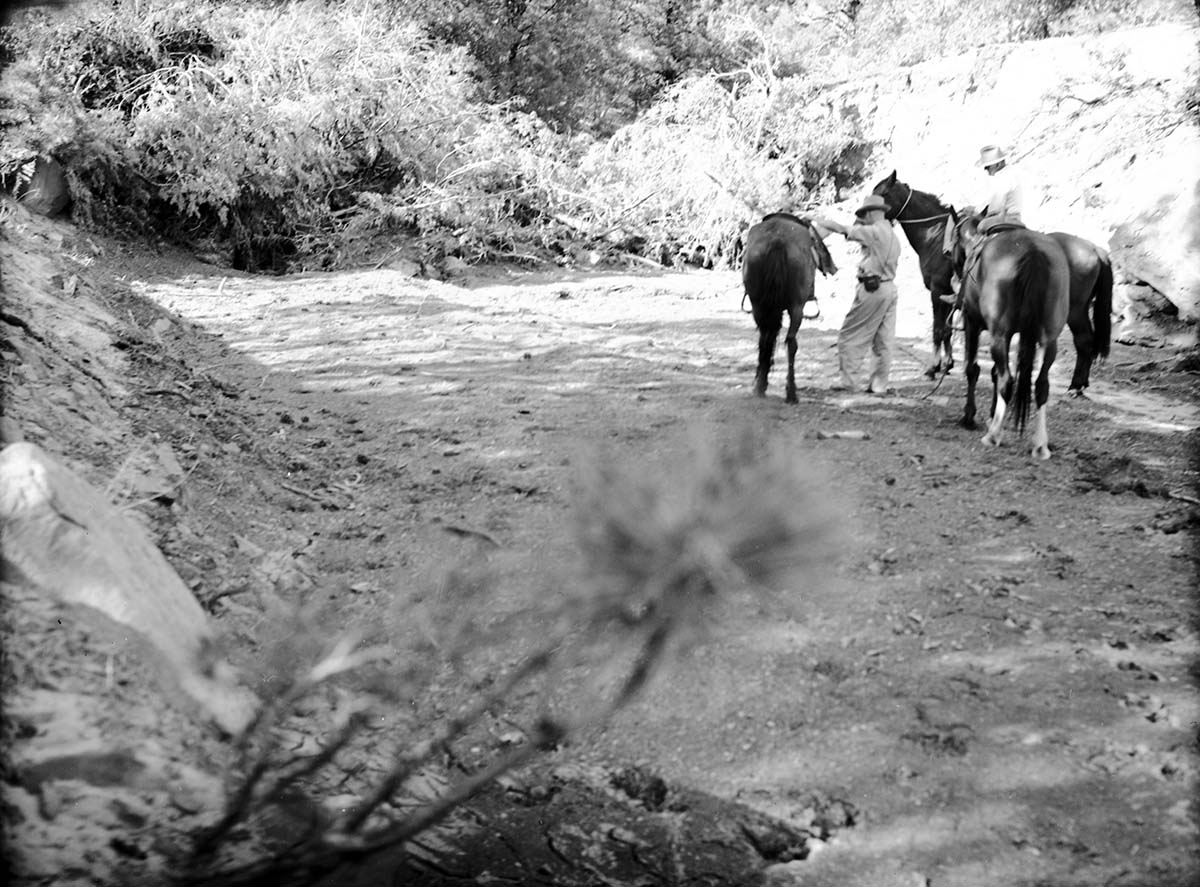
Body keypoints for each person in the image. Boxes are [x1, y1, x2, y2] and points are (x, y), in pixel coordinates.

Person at [811, 194, 903, 394]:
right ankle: (879, 385)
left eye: (864, 214)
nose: (863, 218)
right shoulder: (893, 235)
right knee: (883, 340)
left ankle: (849, 382)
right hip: (889, 288)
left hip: (873, 288)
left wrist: (817, 220)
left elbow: (842, 229)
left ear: (871, 213)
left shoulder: (875, 232)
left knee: (850, 335)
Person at [974, 144, 1024, 232]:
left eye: (988, 167)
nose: (986, 170)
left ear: (997, 164)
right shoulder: (1011, 173)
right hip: (1014, 217)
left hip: (1006, 218)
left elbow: (996, 205)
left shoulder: (1004, 177)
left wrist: (976, 213)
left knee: (977, 228)